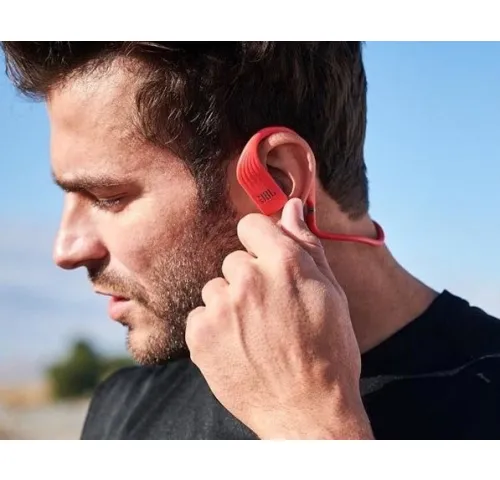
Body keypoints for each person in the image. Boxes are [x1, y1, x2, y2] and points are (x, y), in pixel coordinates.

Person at [2, 41, 500, 440]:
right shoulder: (121, 410)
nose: (66, 250)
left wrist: (309, 429)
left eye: (108, 197)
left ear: (277, 181)